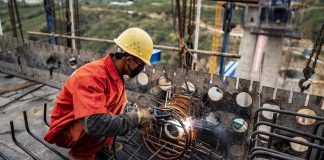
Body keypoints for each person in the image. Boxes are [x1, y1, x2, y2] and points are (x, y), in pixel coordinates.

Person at [44, 28, 155, 160]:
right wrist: (136, 118)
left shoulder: (116, 73)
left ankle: (102, 143)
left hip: (87, 123)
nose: (141, 68)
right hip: (68, 130)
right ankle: (80, 154)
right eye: (140, 64)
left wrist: (134, 114)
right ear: (128, 59)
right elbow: (94, 124)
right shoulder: (92, 76)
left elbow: (115, 105)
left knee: (119, 102)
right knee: (97, 123)